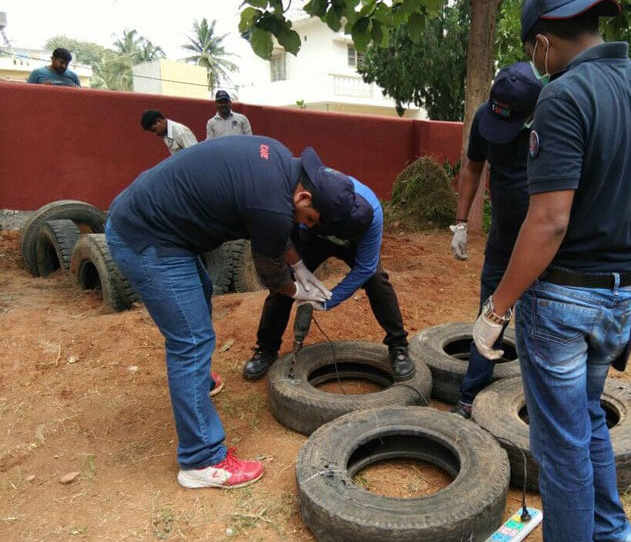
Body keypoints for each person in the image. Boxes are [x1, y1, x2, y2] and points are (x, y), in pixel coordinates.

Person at [471, 0, 631, 542]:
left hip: (562, 305)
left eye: (530, 50)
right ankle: (614, 538)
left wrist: (496, 308)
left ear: (543, 40)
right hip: (619, 299)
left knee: (561, 443)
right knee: (587, 420)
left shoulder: (564, 96)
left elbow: (549, 222)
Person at [105, 135, 366, 490]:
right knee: (191, 341)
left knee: (201, 293)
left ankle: (197, 383)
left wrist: (299, 266)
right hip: (147, 238)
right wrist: (298, 291)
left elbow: (278, 227)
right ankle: (201, 459)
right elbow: (271, 274)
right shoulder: (272, 207)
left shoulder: (280, 163)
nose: (306, 225)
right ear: (304, 197)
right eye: (309, 219)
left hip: (153, 218)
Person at [242, 154, 416, 383]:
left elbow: (365, 268)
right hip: (313, 236)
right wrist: (298, 268)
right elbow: (286, 235)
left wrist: (327, 301)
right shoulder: (311, 199)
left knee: (377, 280)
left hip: (353, 244)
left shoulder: (371, 216)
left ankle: (398, 345)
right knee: (285, 283)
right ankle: (266, 348)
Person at [448, 61, 542, 419]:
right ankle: (469, 397)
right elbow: (473, 167)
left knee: (539, 322)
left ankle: (539, 408)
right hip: (503, 238)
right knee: (489, 315)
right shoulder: (484, 117)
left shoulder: (553, 122)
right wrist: (460, 223)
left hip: (544, 243)